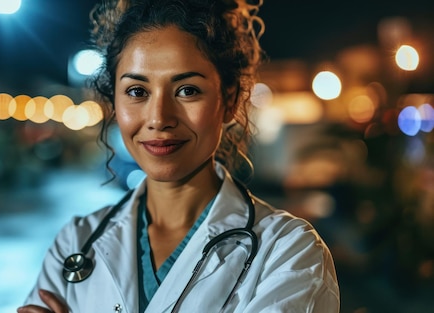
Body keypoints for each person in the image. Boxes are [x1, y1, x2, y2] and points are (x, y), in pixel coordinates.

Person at [18, 0, 340, 312]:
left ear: (229, 100)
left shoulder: (288, 253)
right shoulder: (75, 243)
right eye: (137, 92)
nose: (158, 117)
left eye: (187, 90)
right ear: (113, 102)